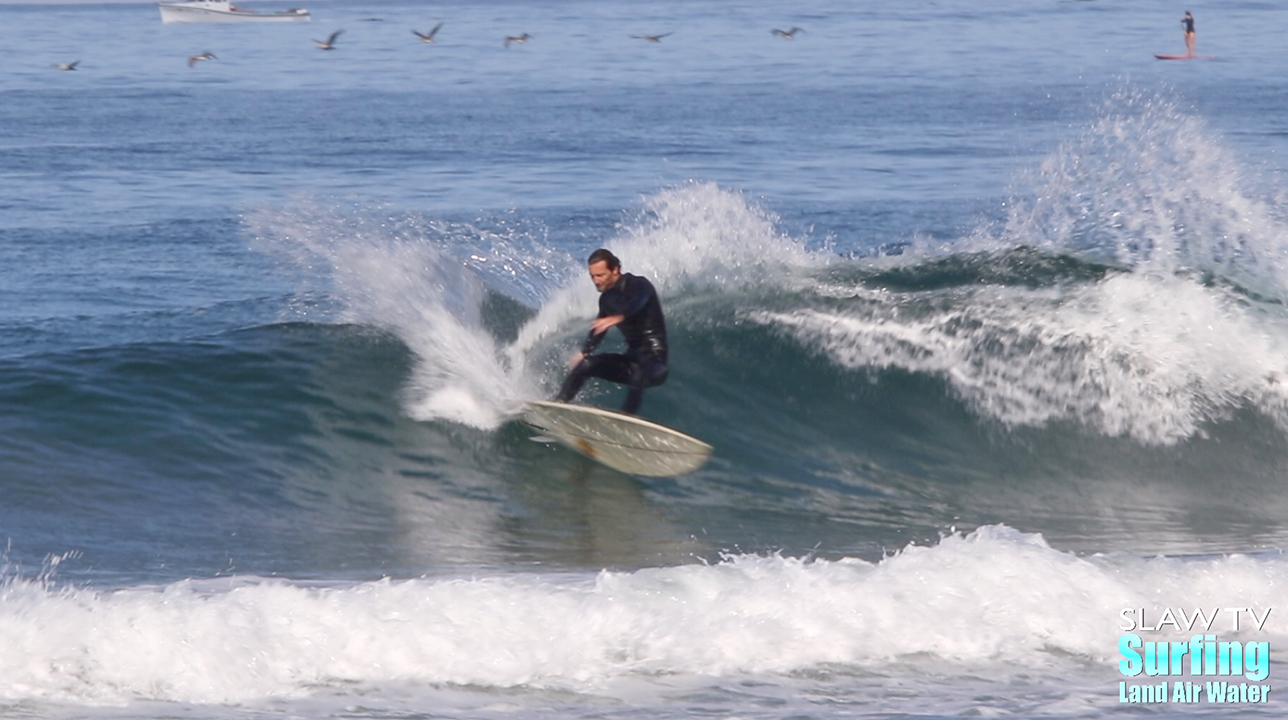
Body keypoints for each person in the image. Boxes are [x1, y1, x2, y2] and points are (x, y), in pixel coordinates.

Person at [554, 248, 668, 415]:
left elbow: (639, 302)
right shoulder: (606, 299)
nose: (596, 281)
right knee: (586, 365)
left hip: (655, 363)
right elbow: (599, 329)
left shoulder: (639, 285)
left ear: (615, 270)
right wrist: (585, 352)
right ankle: (559, 404)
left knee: (638, 372)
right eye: (592, 276)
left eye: (600, 275)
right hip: (631, 359)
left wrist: (619, 317)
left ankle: (627, 417)